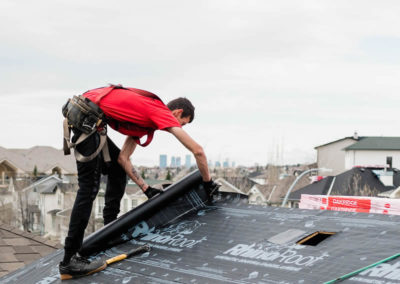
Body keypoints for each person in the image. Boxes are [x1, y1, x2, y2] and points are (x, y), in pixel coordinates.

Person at [59, 85, 218, 280]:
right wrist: (208, 184)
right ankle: (69, 261)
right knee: (88, 189)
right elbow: (198, 151)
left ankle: (110, 229)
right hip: (87, 119)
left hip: (90, 120)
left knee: (117, 171)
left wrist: (146, 188)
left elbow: (123, 159)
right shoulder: (159, 112)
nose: (179, 128)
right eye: (182, 124)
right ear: (177, 112)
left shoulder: (144, 120)